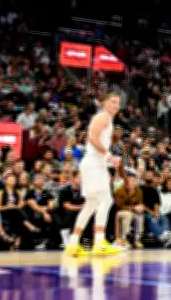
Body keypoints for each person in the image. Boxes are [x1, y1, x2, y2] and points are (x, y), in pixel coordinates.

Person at [64, 93, 123, 257]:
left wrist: (106, 161)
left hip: (93, 164)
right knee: (106, 200)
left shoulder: (106, 119)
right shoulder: (103, 117)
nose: (116, 105)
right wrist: (109, 155)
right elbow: (92, 138)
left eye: (118, 103)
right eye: (113, 102)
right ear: (104, 102)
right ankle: (99, 242)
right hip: (94, 163)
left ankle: (73, 243)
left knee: (90, 205)